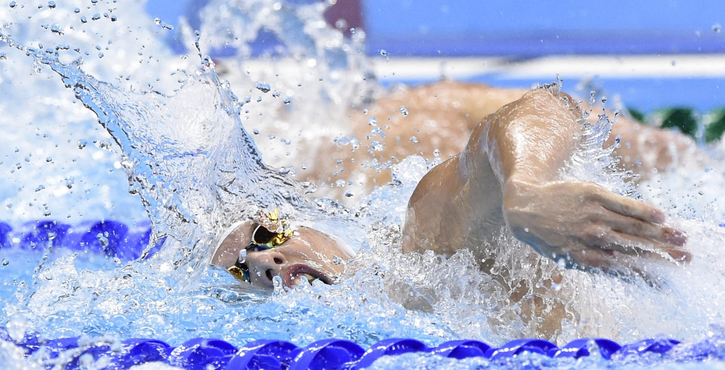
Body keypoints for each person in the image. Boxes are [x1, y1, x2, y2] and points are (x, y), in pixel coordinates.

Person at [210, 81, 692, 332]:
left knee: (672, 152)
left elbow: (542, 108)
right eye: (237, 269)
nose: (257, 261)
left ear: (314, 228)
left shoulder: (421, 246)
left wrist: (526, 189)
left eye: (265, 234)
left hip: (456, 119)